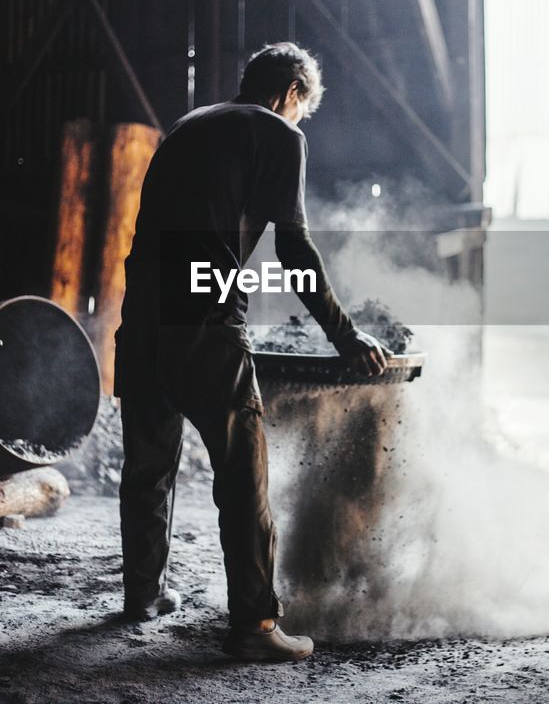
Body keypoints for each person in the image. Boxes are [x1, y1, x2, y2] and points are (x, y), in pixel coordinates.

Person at [113, 42, 389, 661]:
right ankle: (256, 628)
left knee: (148, 469)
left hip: (143, 322)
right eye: (302, 110)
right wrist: (345, 336)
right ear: (291, 91)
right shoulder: (277, 133)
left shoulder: (188, 125)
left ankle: (143, 596)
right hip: (206, 327)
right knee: (242, 477)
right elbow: (294, 249)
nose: (299, 123)